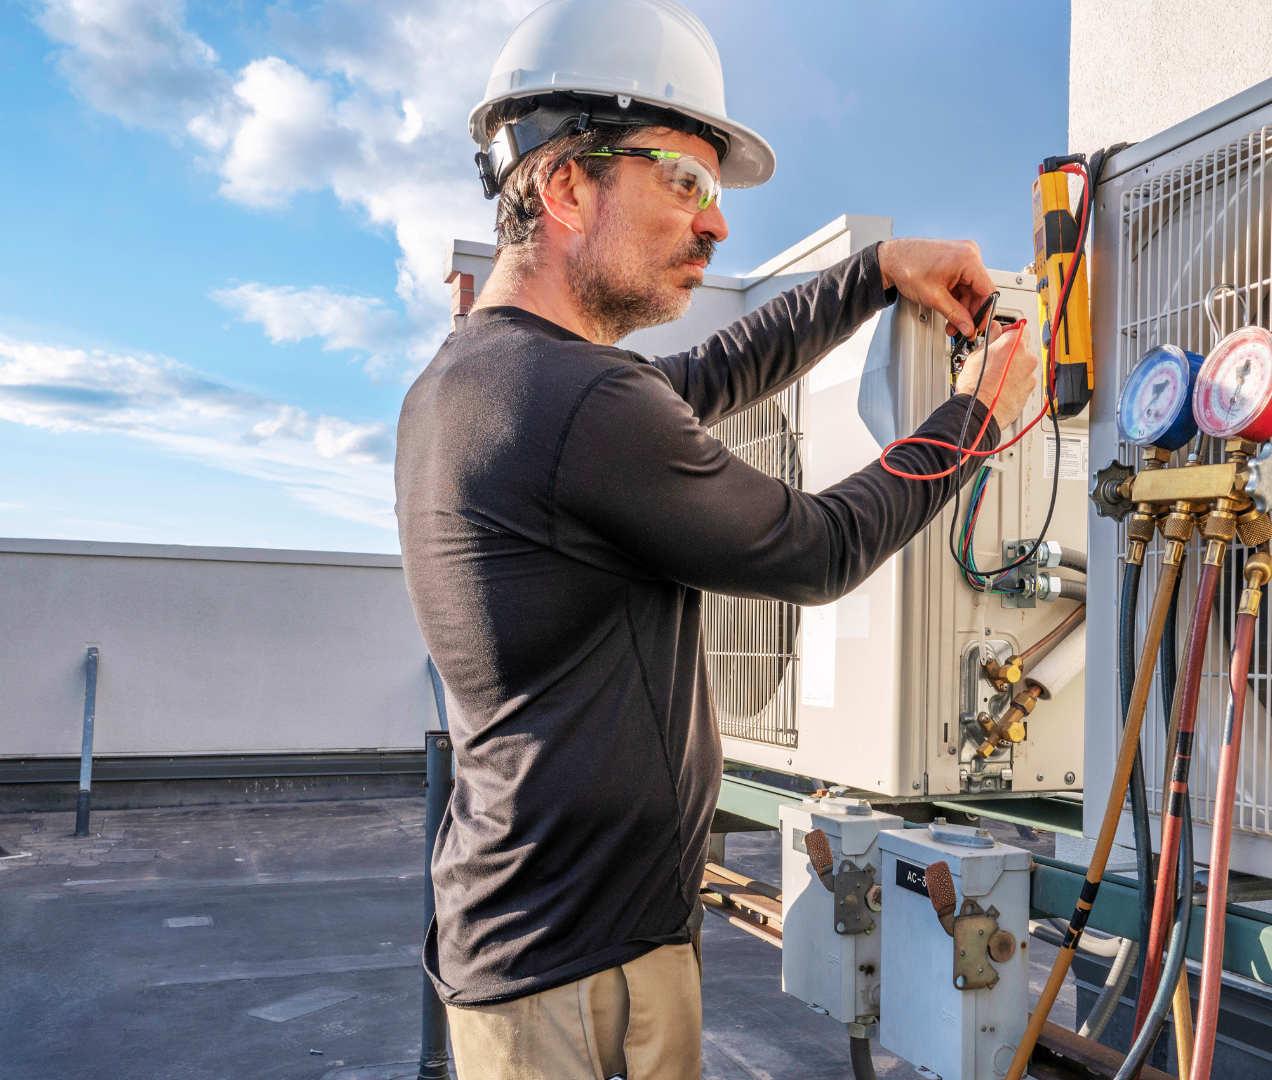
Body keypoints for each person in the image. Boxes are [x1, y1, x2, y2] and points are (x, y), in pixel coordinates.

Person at [395, 2, 1039, 1077]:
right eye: (683, 183)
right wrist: (976, 413)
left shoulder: (487, 378)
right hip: (582, 972)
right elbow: (817, 548)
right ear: (565, 187)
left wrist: (876, 271)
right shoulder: (573, 405)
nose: (716, 224)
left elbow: (714, 376)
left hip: (536, 939)